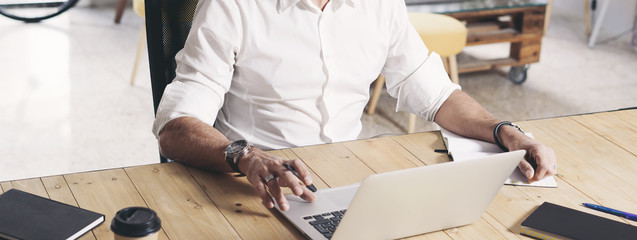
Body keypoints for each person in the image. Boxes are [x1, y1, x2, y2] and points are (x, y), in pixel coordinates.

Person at [153, 0, 557, 212]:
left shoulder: (380, 5)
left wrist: (504, 130)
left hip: (347, 183)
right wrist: (246, 156)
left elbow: (436, 94)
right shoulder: (232, 5)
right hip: (250, 182)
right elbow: (175, 126)